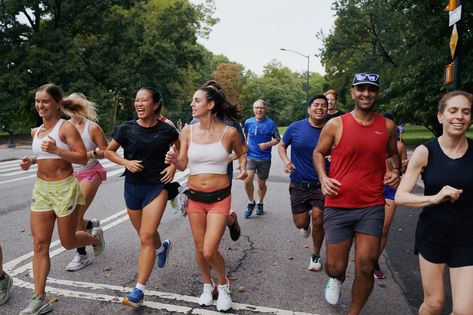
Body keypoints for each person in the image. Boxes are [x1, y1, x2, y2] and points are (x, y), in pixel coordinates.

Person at [313, 73, 401, 314]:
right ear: (352, 92)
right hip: (338, 204)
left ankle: (353, 311)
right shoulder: (336, 124)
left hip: (371, 206)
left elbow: (394, 155)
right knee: (334, 266)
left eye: (371, 89)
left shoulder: (387, 126)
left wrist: (396, 171)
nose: (366, 93)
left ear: (377, 93)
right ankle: (335, 279)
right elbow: (318, 153)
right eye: (361, 89)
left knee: (365, 265)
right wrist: (324, 177)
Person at [18, 83, 105, 315]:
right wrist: (30, 161)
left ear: (57, 103)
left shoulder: (65, 128)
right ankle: (39, 298)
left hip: (65, 189)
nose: (40, 105)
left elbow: (79, 158)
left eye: (45, 101)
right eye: (37, 102)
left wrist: (58, 150)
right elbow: (43, 156)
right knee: (39, 244)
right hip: (41, 190)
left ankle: (94, 239)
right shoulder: (36, 131)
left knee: (68, 242)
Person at [165, 82, 246, 312]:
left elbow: (242, 154)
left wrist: (243, 167)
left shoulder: (229, 132)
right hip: (195, 198)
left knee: (210, 250)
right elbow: (182, 165)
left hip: (220, 197)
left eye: (197, 100)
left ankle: (223, 285)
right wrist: (173, 160)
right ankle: (206, 285)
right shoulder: (188, 131)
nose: (192, 104)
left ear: (210, 105)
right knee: (200, 249)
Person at [395, 90, 473, 315]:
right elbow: (400, 196)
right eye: (453, 110)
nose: (459, 116)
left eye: (466, 112)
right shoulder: (425, 151)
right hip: (433, 235)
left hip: (467, 237)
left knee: (465, 311)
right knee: (434, 304)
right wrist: (435, 197)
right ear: (440, 116)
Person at [105, 87, 179, 307]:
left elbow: (181, 150)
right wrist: (126, 163)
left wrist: (174, 166)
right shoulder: (126, 129)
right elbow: (108, 151)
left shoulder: (167, 130)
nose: (139, 104)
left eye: (144, 100)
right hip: (132, 187)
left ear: (155, 104)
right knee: (145, 234)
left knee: (146, 236)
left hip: (157, 186)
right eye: (136, 100)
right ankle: (162, 248)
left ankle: (139, 290)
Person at [189, 80, 247, 242]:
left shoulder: (230, 123)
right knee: (205, 214)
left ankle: (226, 225)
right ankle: (226, 224)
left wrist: (231, 158)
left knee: (215, 215)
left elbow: (244, 149)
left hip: (222, 176)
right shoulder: (194, 122)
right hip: (198, 179)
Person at [278, 94, 329, 272]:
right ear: (309, 109)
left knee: (318, 218)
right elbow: (281, 146)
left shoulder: (332, 129)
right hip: (299, 183)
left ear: (327, 109)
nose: (320, 108)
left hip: (321, 185)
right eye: (316, 105)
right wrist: (286, 160)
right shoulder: (296, 127)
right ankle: (305, 224)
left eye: (324, 105)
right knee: (300, 223)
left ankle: (315, 255)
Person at [63, 92, 108, 272]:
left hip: (91, 172)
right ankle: (91, 226)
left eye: (77, 104)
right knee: (70, 215)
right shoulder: (64, 127)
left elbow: (106, 150)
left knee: (75, 215)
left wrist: (90, 154)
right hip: (71, 175)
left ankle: (81, 255)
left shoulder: (92, 128)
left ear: (84, 106)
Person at [373, 112, 409, 279]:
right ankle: (365, 256)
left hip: (390, 189)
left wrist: (404, 167)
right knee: (367, 228)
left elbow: (403, 170)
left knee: (384, 228)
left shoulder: (399, 146)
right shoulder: (372, 141)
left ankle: (374, 260)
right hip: (371, 187)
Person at [243, 99, 280, 218]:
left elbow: (277, 139)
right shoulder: (248, 122)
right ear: (253, 109)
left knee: (261, 183)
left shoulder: (271, 123)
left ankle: (260, 202)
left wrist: (267, 144)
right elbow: (245, 137)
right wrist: (244, 150)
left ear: (265, 109)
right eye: (256, 108)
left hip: (264, 158)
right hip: (251, 156)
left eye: (261, 108)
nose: (259, 110)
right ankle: (250, 202)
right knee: (248, 180)